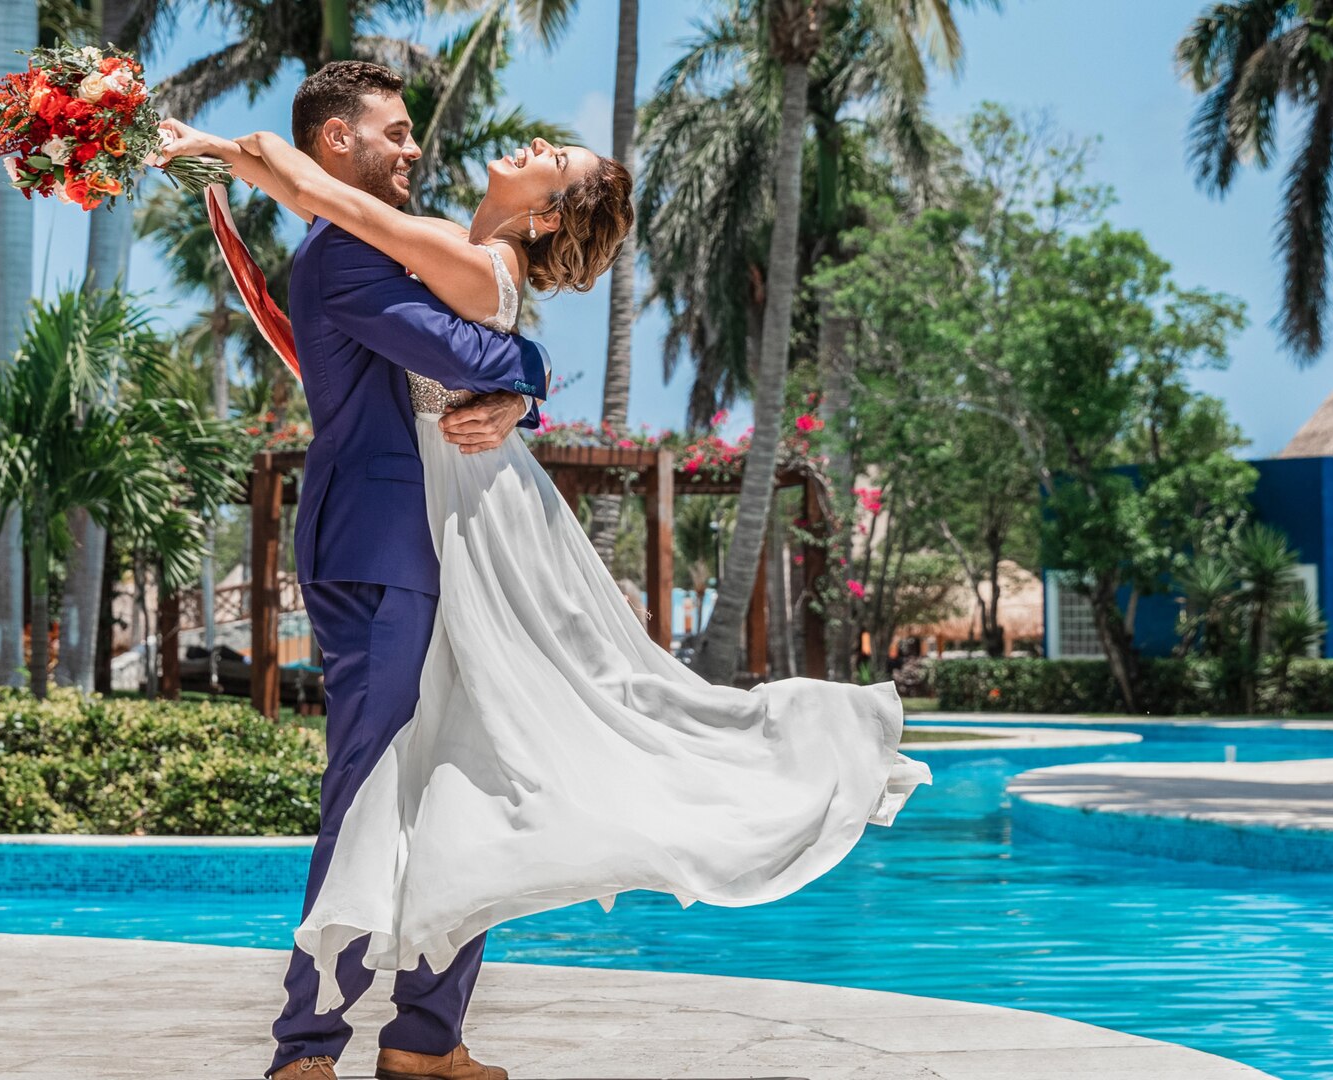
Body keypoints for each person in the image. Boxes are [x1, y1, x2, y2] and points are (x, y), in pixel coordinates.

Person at [160, 60, 931, 1080]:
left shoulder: (432, 249)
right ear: (337, 140)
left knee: (476, 768)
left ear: (552, 209)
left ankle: (424, 1040)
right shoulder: (361, 251)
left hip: (461, 528)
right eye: (391, 133)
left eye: (550, 159)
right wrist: (520, 375)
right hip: (398, 541)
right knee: (378, 786)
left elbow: (478, 341)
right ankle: (311, 1049)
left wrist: (517, 374)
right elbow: (473, 347)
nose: (415, 146)